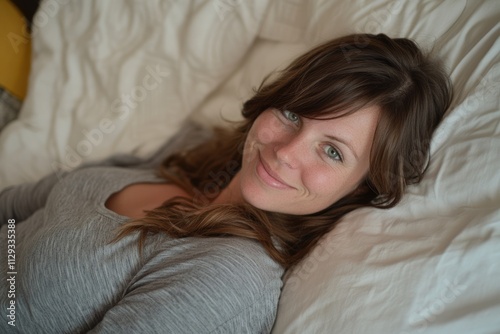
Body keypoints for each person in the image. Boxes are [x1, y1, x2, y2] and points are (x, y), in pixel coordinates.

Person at [0, 33, 452, 333]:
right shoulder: (182, 159)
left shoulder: (230, 277)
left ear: (359, 188)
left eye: (332, 151)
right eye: (292, 114)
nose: (286, 152)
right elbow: (15, 206)